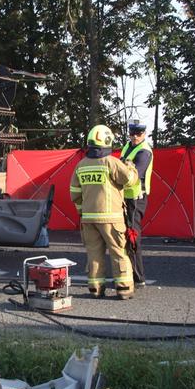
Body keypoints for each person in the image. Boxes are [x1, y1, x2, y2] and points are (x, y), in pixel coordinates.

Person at [70, 125, 138, 300]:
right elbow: (129, 180)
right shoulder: (111, 162)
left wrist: (83, 212)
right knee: (118, 252)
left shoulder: (81, 165)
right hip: (111, 219)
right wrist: (130, 167)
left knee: (94, 253)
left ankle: (96, 288)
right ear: (107, 141)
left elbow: (75, 194)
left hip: (88, 220)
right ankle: (123, 289)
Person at [118, 121, 153, 287]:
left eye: (138, 134)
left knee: (132, 235)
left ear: (144, 134)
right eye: (132, 134)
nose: (135, 137)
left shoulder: (144, 151)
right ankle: (128, 273)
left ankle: (139, 277)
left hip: (136, 198)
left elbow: (134, 175)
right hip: (125, 196)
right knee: (124, 235)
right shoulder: (127, 146)